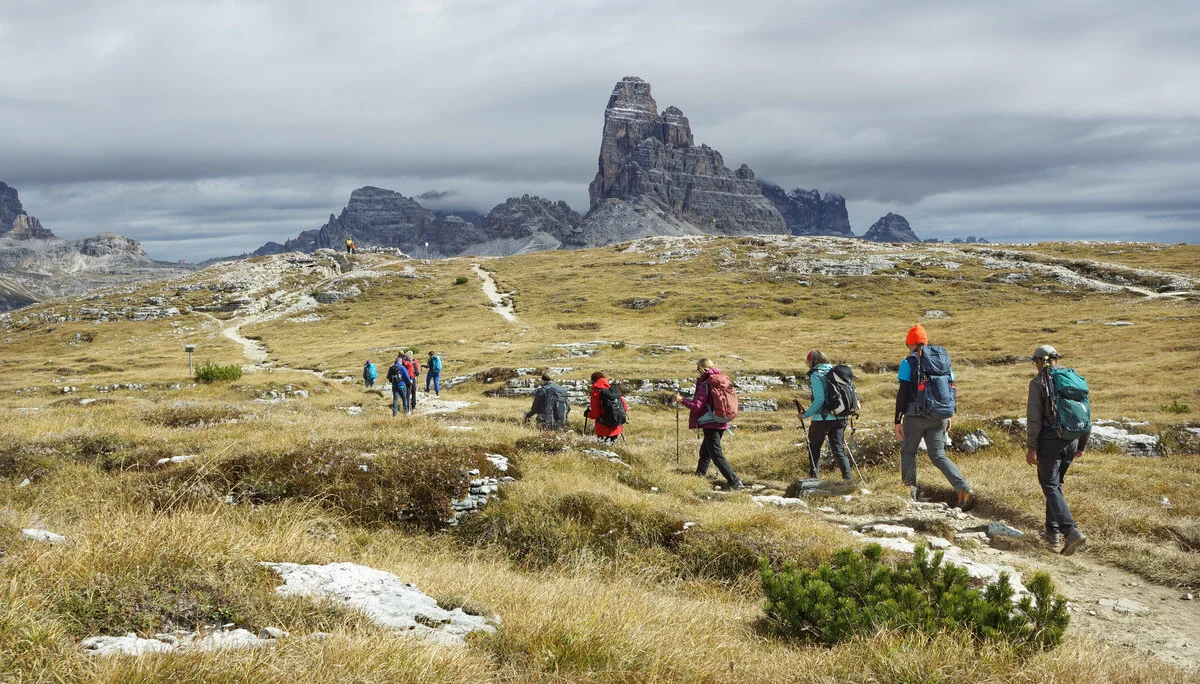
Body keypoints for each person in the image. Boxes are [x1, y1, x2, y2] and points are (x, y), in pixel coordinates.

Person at [893, 324, 976, 509]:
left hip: (915, 415)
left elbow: (903, 392)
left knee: (908, 452)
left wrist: (898, 420)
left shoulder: (909, 362)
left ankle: (910, 495)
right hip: (940, 415)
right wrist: (949, 414)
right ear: (926, 341)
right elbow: (949, 387)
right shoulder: (942, 361)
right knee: (938, 455)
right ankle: (963, 488)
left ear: (909, 343)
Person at [1027, 344, 1090, 555]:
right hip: (1072, 440)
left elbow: (1034, 419)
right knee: (1056, 486)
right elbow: (1086, 414)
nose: (1035, 365)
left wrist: (1031, 447)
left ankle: (1070, 531)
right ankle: (1052, 535)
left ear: (1039, 361)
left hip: (1050, 443)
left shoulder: (1039, 383)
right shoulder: (1073, 379)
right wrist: (1081, 445)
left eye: (1035, 361)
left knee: (1050, 485)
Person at [673, 359, 743, 489]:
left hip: (711, 422)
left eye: (698, 370)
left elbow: (696, 406)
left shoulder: (706, 384)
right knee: (705, 451)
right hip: (721, 420)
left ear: (701, 369)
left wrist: (681, 400)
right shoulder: (721, 380)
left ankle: (734, 481)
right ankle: (699, 476)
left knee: (716, 454)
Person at [798, 350, 852, 480]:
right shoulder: (838, 373)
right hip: (840, 416)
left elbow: (819, 399)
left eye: (808, 362)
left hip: (821, 419)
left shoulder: (816, 374)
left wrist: (805, 415)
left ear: (813, 362)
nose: (807, 364)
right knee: (838, 450)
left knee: (814, 448)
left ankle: (813, 478)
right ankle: (848, 480)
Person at [583, 371, 627, 444]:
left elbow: (595, 414)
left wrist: (587, 414)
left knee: (604, 450)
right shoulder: (614, 391)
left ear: (593, 381)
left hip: (603, 427)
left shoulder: (595, 393)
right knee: (614, 449)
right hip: (617, 427)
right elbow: (625, 407)